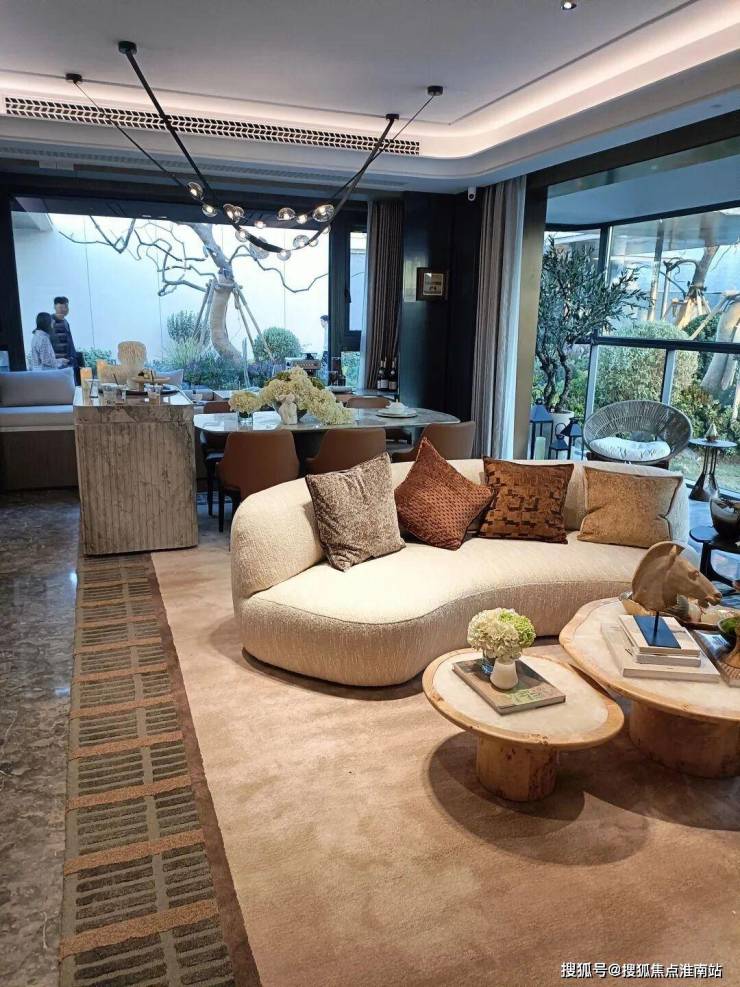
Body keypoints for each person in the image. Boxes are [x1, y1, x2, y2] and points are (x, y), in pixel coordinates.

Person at [50, 295, 79, 378]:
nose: (65, 309)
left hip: (68, 362)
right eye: (61, 307)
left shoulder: (65, 321)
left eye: (66, 306)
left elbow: (69, 341)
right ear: (55, 307)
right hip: (58, 364)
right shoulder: (50, 321)